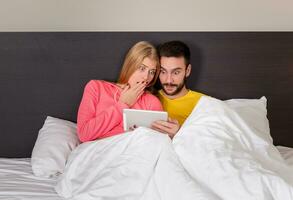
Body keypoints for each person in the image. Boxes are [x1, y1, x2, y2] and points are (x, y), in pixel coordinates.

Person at [77, 41, 163, 142]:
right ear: (130, 65)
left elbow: (157, 141)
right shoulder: (96, 88)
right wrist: (122, 105)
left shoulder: (151, 102)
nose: (146, 77)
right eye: (142, 68)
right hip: (100, 150)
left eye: (152, 72)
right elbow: (84, 134)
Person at [151, 41, 205, 139]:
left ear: (187, 71)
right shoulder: (148, 98)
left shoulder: (203, 103)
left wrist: (180, 134)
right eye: (163, 72)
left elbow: (211, 141)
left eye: (176, 72)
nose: (168, 80)